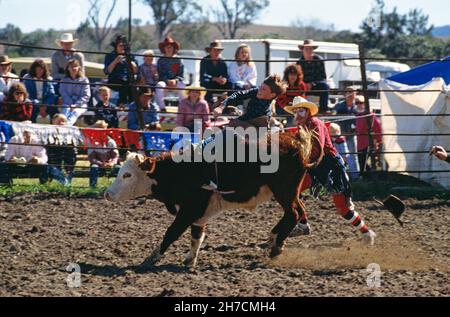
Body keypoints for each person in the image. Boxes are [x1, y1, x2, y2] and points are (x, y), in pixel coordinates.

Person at [285, 96, 376, 244]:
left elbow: (317, 148)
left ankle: (366, 232)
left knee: (342, 207)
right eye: (295, 112)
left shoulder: (314, 123)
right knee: (292, 191)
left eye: (301, 111)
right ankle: (302, 224)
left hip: (329, 166)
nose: (298, 115)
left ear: (308, 112)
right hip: (315, 165)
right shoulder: (303, 126)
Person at [214, 75, 286, 129]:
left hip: (257, 130)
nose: (259, 90)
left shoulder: (266, 114)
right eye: (260, 86)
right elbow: (238, 95)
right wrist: (221, 107)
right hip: (246, 124)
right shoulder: (256, 91)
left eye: (263, 89)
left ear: (272, 95)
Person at [42, 114, 77, 186]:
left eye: (63, 121)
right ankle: (66, 185)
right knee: (53, 169)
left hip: (68, 159)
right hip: (53, 160)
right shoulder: (48, 131)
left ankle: (66, 185)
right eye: (59, 121)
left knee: (69, 170)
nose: (61, 123)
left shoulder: (70, 132)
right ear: (53, 122)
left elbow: (75, 148)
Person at [333, 86, 360, 180]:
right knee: (340, 156)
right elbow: (333, 117)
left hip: (351, 135)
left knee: (353, 156)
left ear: (355, 94)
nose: (350, 94)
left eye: (352, 92)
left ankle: (355, 177)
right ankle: (340, 177)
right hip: (340, 136)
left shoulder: (356, 107)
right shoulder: (339, 106)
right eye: (348, 92)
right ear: (345, 94)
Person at [104, 34, 138, 107]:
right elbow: (107, 71)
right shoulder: (110, 56)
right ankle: (121, 105)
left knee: (133, 87)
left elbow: (136, 71)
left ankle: (133, 106)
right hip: (114, 80)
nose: (122, 48)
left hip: (129, 80)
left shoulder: (130, 55)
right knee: (124, 85)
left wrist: (130, 62)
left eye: (124, 46)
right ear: (116, 46)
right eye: (120, 45)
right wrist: (115, 61)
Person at [296, 39, 330, 113]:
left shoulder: (319, 60)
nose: (309, 51)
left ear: (313, 50)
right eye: (306, 49)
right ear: (302, 50)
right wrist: (304, 85)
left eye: (310, 48)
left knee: (325, 86)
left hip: (316, 86)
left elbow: (323, 77)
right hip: (303, 87)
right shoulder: (299, 62)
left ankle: (323, 110)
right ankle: (299, 110)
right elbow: (297, 78)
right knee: (295, 88)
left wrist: (312, 84)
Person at [155, 37, 186, 111]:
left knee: (182, 86)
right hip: (164, 82)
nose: (169, 49)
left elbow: (181, 75)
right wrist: (167, 80)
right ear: (164, 49)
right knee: (159, 86)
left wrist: (175, 80)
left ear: (173, 48)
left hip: (176, 82)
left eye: (170, 47)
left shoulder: (178, 60)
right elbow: (160, 74)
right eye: (167, 47)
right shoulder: (160, 60)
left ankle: (183, 108)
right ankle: (162, 108)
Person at [88, 120, 121, 187]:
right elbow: (91, 157)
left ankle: (119, 187)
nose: (101, 132)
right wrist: (101, 164)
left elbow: (115, 155)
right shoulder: (92, 142)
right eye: (99, 130)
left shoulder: (111, 141)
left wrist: (112, 163)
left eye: (103, 130)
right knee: (94, 167)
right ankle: (93, 187)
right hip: (98, 164)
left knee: (118, 168)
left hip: (110, 164)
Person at [355, 96, 383, 175]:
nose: (359, 105)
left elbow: (377, 128)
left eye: (361, 103)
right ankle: (368, 178)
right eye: (357, 103)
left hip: (368, 143)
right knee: (362, 163)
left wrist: (378, 141)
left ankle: (369, 178)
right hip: (360, 143)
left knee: (364, 163)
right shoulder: (357, 115)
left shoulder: (370, 115)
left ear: (365, 103)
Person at [59, 59, 91, 126]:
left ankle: (67, 126)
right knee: (65, 112)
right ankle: (62, 125)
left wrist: (76, 105)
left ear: (79, 67)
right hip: (67, 103)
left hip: (81, 104)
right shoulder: (64, 80)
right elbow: (63, 93)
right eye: (71, 66)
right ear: (68, 68)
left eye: (75, 66)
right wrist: (70, 103)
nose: (73, 68)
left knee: (75, 112)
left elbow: (86, 95)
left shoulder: (84, 80)